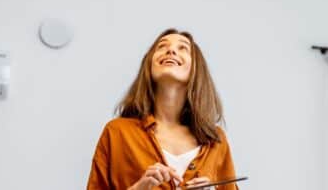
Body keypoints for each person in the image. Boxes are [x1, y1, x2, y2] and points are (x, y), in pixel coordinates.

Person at [87, 28, 238, 190]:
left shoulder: (215, 141)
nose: (171, 50)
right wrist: (139, 188)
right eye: (162, 47)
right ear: (149, 64)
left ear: (196, 68)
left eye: (183, 48)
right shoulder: (117, 132)